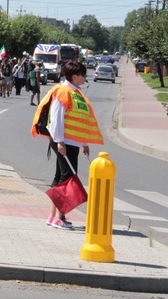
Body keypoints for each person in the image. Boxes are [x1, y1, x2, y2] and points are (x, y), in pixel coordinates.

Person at [32, 62, 103, 230]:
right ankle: (59, 217)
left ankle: (53, 216)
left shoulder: (75, 92)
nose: (85, 78)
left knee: (61, 178)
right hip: (64, 142)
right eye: (83, 75)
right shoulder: (63, 91)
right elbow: (56, 118)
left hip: (71, 142)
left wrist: (84, 142)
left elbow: (79, 119)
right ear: (74, 76)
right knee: (68, 179)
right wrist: (59, 141)